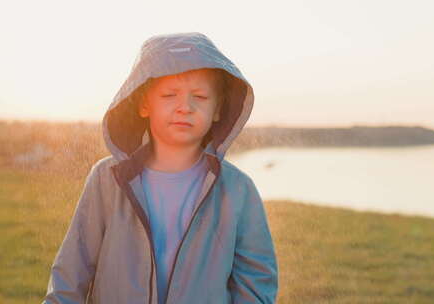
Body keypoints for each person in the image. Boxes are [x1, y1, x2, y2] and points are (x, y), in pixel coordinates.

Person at [42, 32, 278, 304]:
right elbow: (72, 270)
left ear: (217, 109)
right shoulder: (107, 179)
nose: (185, 107)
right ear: (144, 104)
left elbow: (256, 281)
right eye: (169, 95)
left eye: (200, 97)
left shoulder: (238, 188)